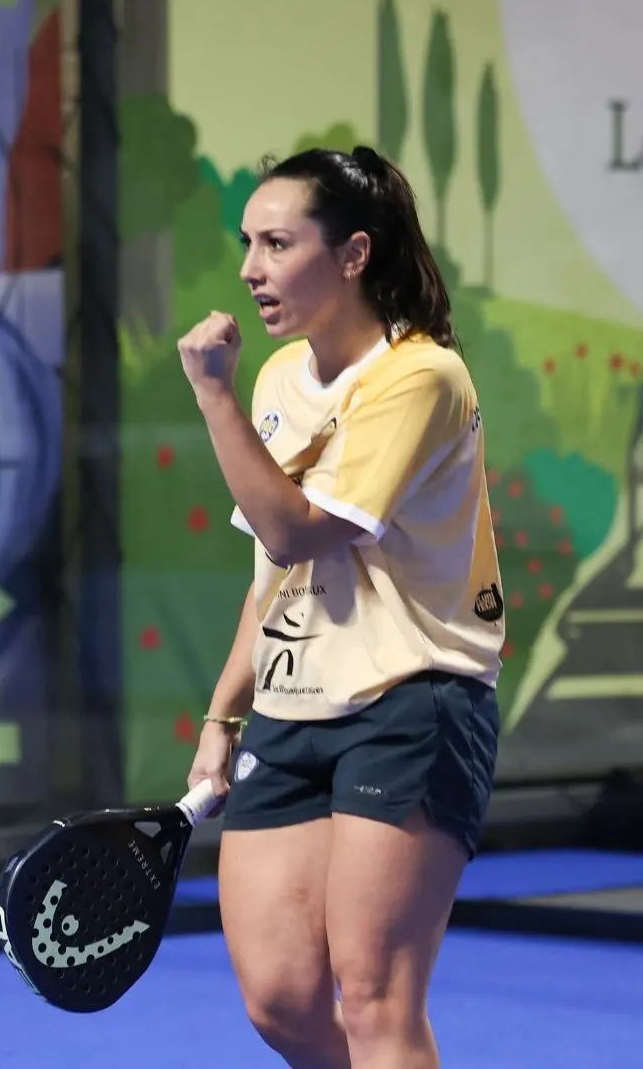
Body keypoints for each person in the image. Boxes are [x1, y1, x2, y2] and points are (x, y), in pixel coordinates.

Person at [180, 145, 503, 1069]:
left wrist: (211, 396)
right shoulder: (280, 378)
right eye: (248, 244)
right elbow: (271, 576)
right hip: (290, 712)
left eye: (278, 244)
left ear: (354, 254)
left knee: (375, 999)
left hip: (412, 703)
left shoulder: (421, 376)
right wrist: (222, 715)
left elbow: (299, 533)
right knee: (281, 1001)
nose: (252, 269)